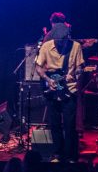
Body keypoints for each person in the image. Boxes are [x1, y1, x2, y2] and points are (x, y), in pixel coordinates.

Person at [34, 23, 84, 162]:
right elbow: (38, 67)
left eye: (63, 41)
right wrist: (47, 79)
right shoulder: (46, 47)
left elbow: (80, 68)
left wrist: (76, 74)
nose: (61, 44)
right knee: (54, 124)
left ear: (67, 37)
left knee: (69, 125)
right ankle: (58, 153)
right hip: (52, 90)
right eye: (58, 41)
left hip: (69, 89)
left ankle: (71, 156)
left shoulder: (76, 47)